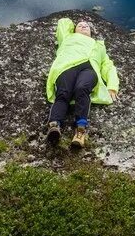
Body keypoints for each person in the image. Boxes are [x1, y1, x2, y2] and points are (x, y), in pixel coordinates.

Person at [45, 17, 120, 150]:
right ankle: (54, 125)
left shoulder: (99, 45)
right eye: (79, 25)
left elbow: (108, 66)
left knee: (82, 88)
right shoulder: (67, 38)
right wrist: (74, 26)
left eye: (86, 26)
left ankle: (80, 131)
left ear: (92, 31)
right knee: (63, 92)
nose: (83, 26)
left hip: (89, 68)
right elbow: (63, 22)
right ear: (74, 29)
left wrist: (112, 86)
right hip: (67, 66)